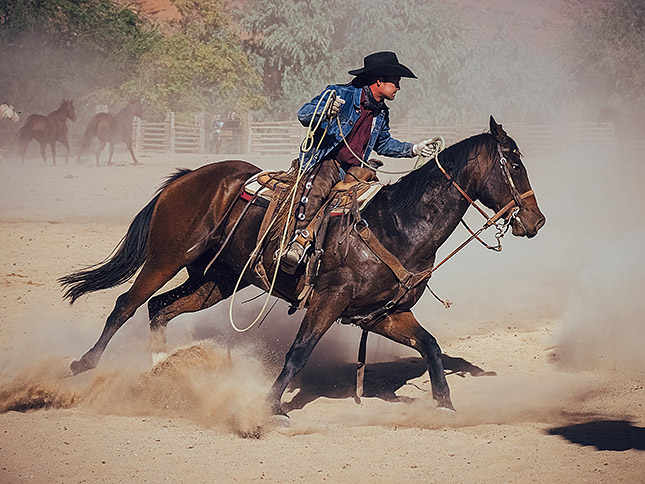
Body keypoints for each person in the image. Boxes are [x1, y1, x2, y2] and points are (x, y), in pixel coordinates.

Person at [280, 51, 436, 274]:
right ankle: (298, 241)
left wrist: (413, 149)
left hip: (355, 171)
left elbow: (383, 143)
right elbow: (304, 114)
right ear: (379, 81)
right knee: (318, 189)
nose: (398, 88)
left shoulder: (381, 113)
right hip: (327, 162)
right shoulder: (339, 94)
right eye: (395, 82)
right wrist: (324, 111)